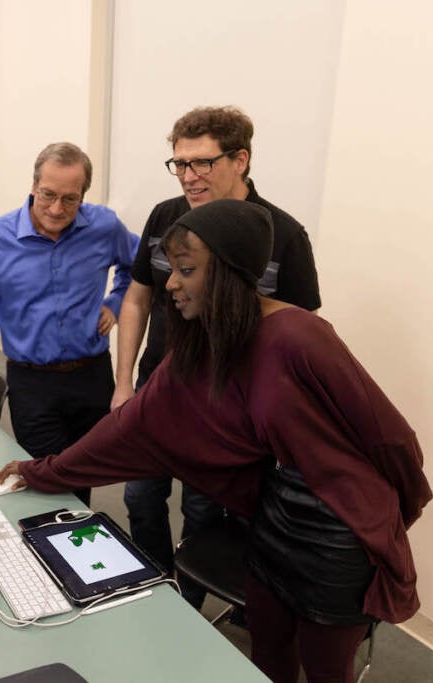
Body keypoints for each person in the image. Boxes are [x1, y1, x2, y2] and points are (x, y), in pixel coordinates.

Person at [0, 199, 432, 683]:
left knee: (327, 670)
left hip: (339, 535)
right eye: (171, 269)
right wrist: (43, 470)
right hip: (274, 519)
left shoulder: (300, 336)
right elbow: (130, 426)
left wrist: (390, 525)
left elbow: (391, 439)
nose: (172, 284)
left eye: (186, 270)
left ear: (227, 274)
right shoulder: (205, 341)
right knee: (268, 654)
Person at [112, 106, 321, 600]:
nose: (189, 176)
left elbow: (298, 333)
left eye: (202, 163)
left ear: (241, 159)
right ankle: (156, 592)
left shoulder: (283, 236)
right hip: (157, 391)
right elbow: (138, 297)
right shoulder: (166, 217)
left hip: (224, 407)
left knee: (203, 511)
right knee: (139, 497)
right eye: (180, 163)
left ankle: (186, 605)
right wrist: (123, 383)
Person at [0, 142, 139, 506]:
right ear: (34, 185)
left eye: (70, 199)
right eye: (48, 195)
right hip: (32, 383)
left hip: (92, 377)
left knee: (81, 477)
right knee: (44, 484)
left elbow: (138, 266)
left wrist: (115, 302)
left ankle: (71, 552)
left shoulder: (104, 226)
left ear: (83, 194)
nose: (56, 209)